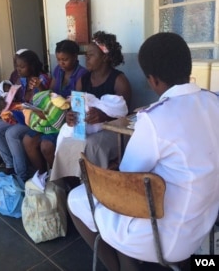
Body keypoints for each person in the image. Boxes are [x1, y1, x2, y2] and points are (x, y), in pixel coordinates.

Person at [67, 32, 219, 271]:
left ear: (152, 80)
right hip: (203, 226)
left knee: (76, 199)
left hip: (166, 240)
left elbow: (127, 178)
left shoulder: (156, 118)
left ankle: (116, 267)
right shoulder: (214, 102)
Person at [50, 31, 132, 187]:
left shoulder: (119, 81)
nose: (86, 58)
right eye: (86, 54)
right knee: (66, 142)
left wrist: (104, 116)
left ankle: (95, 186)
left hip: (114, 131)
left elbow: (126, 118)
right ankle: (70, 185)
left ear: (105, 57)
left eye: (91, 55)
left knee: (91, 145)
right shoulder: (84, 79)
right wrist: (71, 116)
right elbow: (76, 105)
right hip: (89, 128)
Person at [22, 39, 87, 178]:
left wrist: (58, 109)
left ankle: (58, 179)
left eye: (65, 59)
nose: (61, 63)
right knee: (28, 141)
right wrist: (39, 86)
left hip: (66, 119)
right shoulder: (58, 71)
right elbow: (50, 93)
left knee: (46, 146)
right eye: (58, 59)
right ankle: (43, 175)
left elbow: (77, 104)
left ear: (75, 57)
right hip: (50, 116)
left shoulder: (82, 74)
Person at [0, 50, 50, 181]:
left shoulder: (42, 79)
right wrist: (4, 102)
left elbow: (45, 102)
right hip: (20, 115)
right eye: (17, 66)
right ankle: (10, 164)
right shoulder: (21, 79)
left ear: (32, 66)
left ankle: (21, 174)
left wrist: (39, 87)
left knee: (11, 134)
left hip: (35, 119)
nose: (18, 69)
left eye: (22, 67)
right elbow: (11, 97)